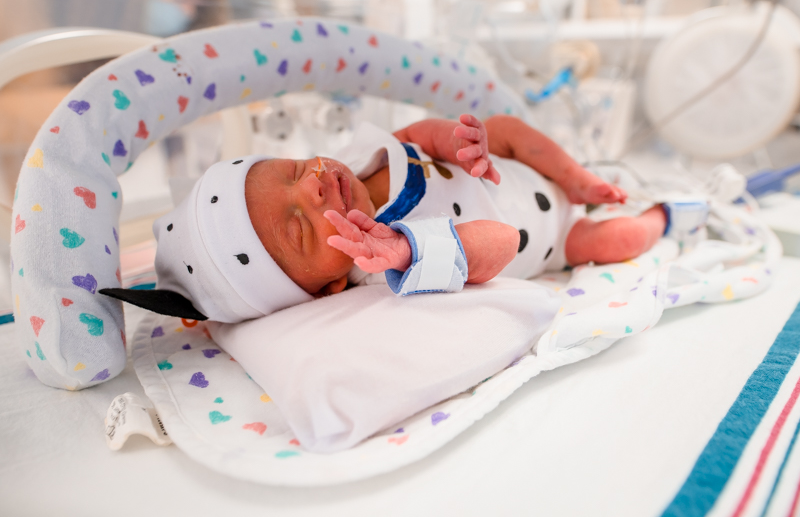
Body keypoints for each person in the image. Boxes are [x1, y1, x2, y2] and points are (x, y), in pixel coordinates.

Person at [103, 114, 704, 323]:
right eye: (300, 226)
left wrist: (457, 141)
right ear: (333, 284)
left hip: (520, 168)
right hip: (559, 237)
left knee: (509, 127)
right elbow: (500, 240)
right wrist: (410, 253)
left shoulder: (367, 159)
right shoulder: (386, 265)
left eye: (291, 171)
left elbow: (418, 137)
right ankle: (662, 215)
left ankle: (581, 178)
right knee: (616, 238)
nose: (312, 188)